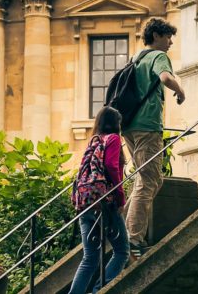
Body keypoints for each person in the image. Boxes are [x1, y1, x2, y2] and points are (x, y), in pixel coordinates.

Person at [123, 18, 186, 259]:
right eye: (168, 36)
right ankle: (132, 238)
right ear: (157, 35)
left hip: (129, 126)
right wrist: (180, 91)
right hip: (148, 125)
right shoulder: (158, 56)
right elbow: (165, 78)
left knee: (148, 179)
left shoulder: (136, 58)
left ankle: (122, 230)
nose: (170, 42)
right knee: (149, 181)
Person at [68, 106, 130, 294]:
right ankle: (98, 291)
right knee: (122, 251)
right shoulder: (113, 139)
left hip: (86, 203)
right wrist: (120, 196)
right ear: (115, 123)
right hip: (104, 202)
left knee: (90, 257)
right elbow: (111, 166)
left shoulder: (93, 141)